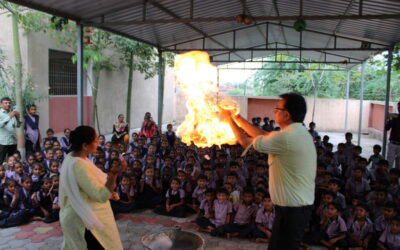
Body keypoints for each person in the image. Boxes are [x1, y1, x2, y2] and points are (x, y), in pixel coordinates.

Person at [221, 93, 316, 250]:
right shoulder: (297, 133)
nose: (274, 112)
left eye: (277, 109)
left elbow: (245, 142)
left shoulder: (286, 138)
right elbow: (265, 135)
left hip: (292, 212)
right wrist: (237, 117)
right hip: (293, 210)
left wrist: (228, 119)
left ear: (286, 114)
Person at [59, 125, 125, 250]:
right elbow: (101, 196)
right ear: (84, 145)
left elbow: (88, 187)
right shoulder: (79, 166)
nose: (98, 142)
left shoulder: (73, 157)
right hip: (83, 221)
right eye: (95, 140)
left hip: (76, 214)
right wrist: (114, 174)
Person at [0, 97, 21, 164]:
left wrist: (17, 118)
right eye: (6, 103)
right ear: (1, 104)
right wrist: (9, 117)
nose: (8, 104)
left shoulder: (13, 113)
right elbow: (0, 125)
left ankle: (11, 174)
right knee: (1, 161)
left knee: (12, 161)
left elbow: (17, 125)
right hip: (3, 142)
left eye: (9, 103)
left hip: (13, 141)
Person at [385, 102, 400, 169]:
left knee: (399, 165)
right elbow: (387, 128)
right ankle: (388, 178)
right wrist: (389, 119)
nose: (399, 109)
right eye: (399, 107)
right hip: (393, 143)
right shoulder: (394, 117)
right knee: (389, 163)